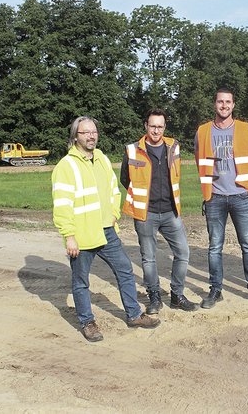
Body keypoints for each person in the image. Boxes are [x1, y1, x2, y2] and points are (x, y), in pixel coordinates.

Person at [52, 116, 160, 342]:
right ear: (75, 136)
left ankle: (133, 314)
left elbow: (114, 190)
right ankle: (87, 322)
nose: (91, 136)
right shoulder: (66, 166)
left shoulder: (101, 158)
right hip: (82, 235)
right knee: (81, 282)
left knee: (124, 271)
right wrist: (69, 236)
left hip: (106, 230)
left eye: (94, 132)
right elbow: (62, 205)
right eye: (85, 133)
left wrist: (113, 214)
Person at [120, 109, 199, 314]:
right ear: (145, 126)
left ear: (165, 127)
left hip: (171, 212)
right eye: (153, 126)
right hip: (146, 213)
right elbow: (125, 179)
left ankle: (177, 295)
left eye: (160, 126)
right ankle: (154, 296)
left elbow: (176, 175)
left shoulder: (174, 147)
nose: (156, 130)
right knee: (149, 258)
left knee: (183, 253)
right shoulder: (132, 150)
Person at [194, 88, 248, 308]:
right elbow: (199, 159)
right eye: (220, 101)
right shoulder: (203, 131)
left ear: (233, 105)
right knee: (215, 246)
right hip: (214, 197)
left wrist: (243, 183)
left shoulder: (246, 130)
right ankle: (215, 290)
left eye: (228, 102)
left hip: (240, 196)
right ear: (214, 104)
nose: (224, 105)